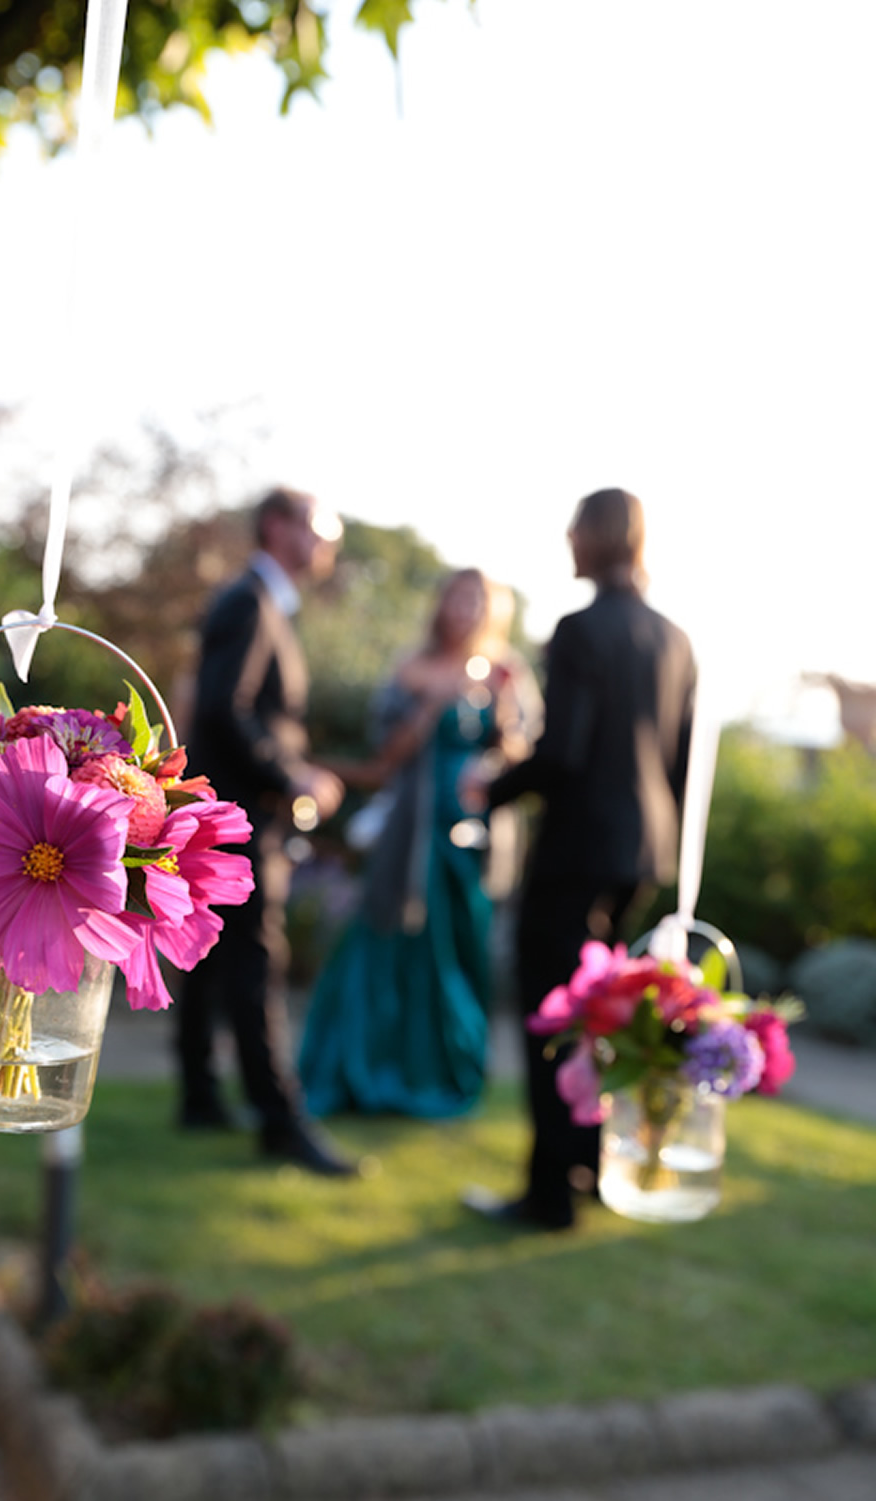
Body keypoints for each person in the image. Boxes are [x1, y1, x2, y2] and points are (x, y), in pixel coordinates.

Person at [462, 488, 697, 1230]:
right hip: (643, 854)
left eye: (573, 528)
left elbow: (561, 752)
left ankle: (547, 1195)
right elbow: (682, 765)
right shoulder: (676, 638)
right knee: (605, 1014)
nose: (567, 538)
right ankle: (590, 1167)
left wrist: (490, 789)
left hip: (577, 853)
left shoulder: (579, 630)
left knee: (554, 1017)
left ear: (593, 538)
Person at [297, 568, 542, 1118]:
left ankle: (443, 1072)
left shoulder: (508, 672)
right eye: (457, 597)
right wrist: (435, 704)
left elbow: (523, 757)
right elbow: (387, 756)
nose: (465, 609)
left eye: (476, 601)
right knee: (389, 941)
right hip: (413, 833)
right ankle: (365, 1069)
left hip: (473, 840)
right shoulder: (412, 667)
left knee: (458, 950)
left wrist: (501, 721)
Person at [175, 486, 354, 1176]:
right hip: (241, 817)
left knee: (212, 952)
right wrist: (297, 774)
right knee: (253, 960)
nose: (327, 543)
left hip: (240, 810)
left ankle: (198, 1095)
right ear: (278, 527)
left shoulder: (259, 602)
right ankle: (281, 1121)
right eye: (319, 528)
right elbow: (227, 711)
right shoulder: (249, 601)